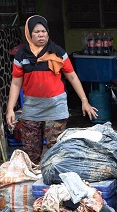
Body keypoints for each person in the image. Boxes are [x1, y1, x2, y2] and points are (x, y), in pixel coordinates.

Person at [6, 15, 98, 164]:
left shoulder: (57, 51)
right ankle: (34, 182)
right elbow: (16, 83)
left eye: (43, 31)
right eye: (36, 32)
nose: (41, 34)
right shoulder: (21, 55)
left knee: (56, 150)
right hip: (32, 108)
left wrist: (84, 101)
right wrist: (10, 109)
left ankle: (55, 183)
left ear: (48, 32)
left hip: (56, 107)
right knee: (31, 153)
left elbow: (72, 76)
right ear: (29, 33)